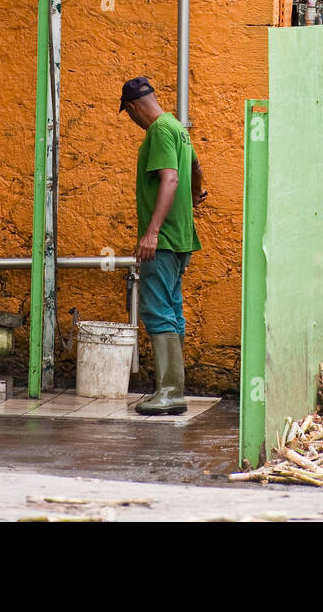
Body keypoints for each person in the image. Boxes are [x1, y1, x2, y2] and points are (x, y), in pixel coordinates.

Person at [119, 76, 205, 416]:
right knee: (172, 309)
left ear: (132, 107)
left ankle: (169, 392)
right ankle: (174, 390)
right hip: (181, 238)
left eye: (128, 114)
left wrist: (151, 232)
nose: (132, 121)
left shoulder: (158, 131)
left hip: (165, 240)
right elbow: (195, 167)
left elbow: (170, 178)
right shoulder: (177, 127)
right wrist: (196, 194)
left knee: (156, 310)